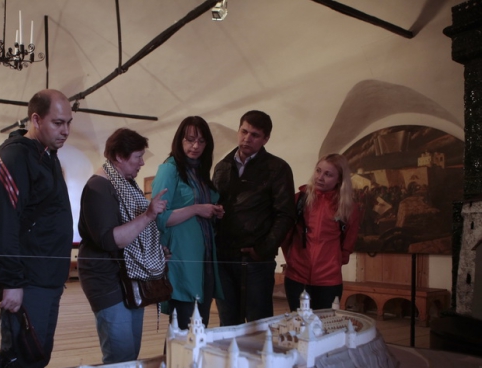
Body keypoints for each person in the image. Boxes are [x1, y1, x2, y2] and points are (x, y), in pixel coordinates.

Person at [0, 89, 74, 368]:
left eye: (68, 123)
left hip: (48, 278)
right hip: (27, 281)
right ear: (36, 120)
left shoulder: (48, 155)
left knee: (38, 358)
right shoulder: (16, 156)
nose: (65, 131)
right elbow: (5, 223)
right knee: (20, 363)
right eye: (58, 123)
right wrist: (12, 281)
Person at [78, 128, 168, 363]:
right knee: (120, 356)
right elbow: (110, 240)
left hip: (128, 278)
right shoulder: (99, 188)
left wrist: (153, 251)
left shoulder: (125, 184)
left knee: (130, 352)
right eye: (138, 156)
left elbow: (133, 234)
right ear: (119, 156)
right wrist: (148, 215)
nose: (142, 163)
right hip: (106, 281)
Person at [212, 110, 296, 325]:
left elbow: (285, 214)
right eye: (244, 131)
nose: (247, 138)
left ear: (265, 139)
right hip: (223, 257)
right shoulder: (222, 167)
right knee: (228, 323)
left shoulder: (277, 168)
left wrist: (263, 249)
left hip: (255, 260)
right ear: (238, 131)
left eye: (255, 135)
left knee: (257, 325)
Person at [151, 116, 224, 329]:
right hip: (182, 258)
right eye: (190, 140)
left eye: (201, 141)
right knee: (184, 329)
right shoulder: (169, 169)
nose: (195, 146)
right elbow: (159, 217)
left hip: (204, 257)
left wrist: (214, 211)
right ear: (179, 140)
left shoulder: (199, 171)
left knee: (199, 327)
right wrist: (197, 209)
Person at [282, 153, 362, 310]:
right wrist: (292, 261)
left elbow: (348, 244)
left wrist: (333, 263)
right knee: (299, 322)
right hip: (297, 276)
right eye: (318, 170)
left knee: (325, 324)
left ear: (339, 179)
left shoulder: (348, 207)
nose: (320, 177)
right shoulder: (299, 200)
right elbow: (286, 237)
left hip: (329, 280)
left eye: (328, 174)